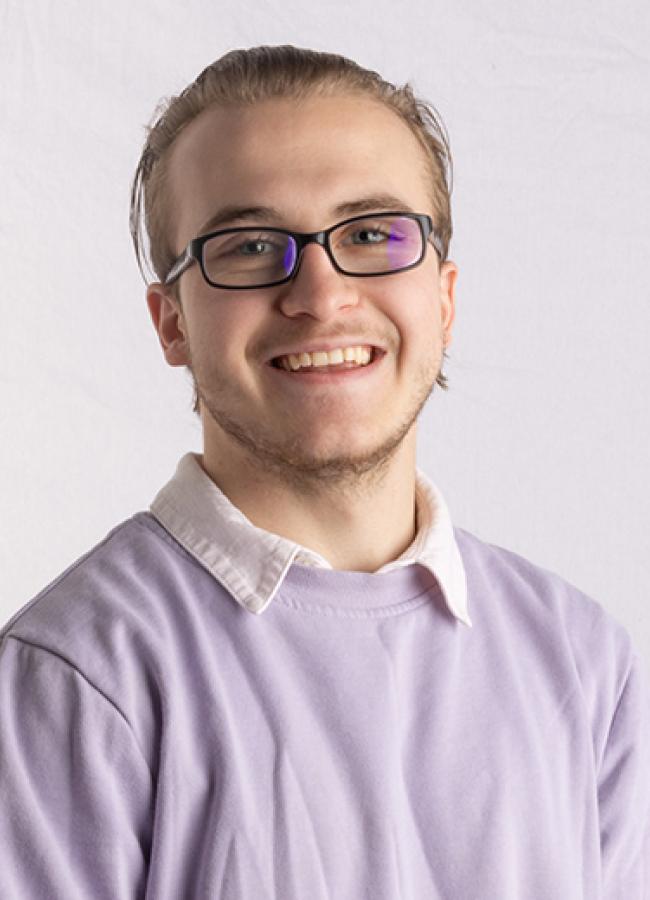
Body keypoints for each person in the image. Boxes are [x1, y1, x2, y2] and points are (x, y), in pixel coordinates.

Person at [1, 44, 648, 899]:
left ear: (444, 299)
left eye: (372, 234)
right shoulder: (75, 680)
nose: (321, 294)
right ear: (172, 324)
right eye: (248, 245)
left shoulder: (583, 661)